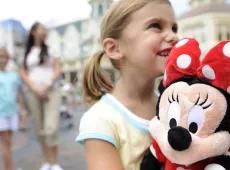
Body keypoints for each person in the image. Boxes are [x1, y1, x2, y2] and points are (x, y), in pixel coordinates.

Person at [75, 0, 178, 169]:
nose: (173, 36)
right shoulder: (100, 121)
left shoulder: (174, 105)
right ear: (114, 48)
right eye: (156, 25)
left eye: (174, 28)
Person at [19, 22, 63, 170]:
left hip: (51, 90)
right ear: (33, 32)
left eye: (45, 29)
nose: (44, 31)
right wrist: (35, 88)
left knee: (51, 127)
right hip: (32, 92)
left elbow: (57, 69)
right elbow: (23, 73)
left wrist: (47, 85)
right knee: (39, 129)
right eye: (41, 29)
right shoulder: (27, 52)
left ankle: (55, 162)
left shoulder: (51, 50)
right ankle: (46, 161)